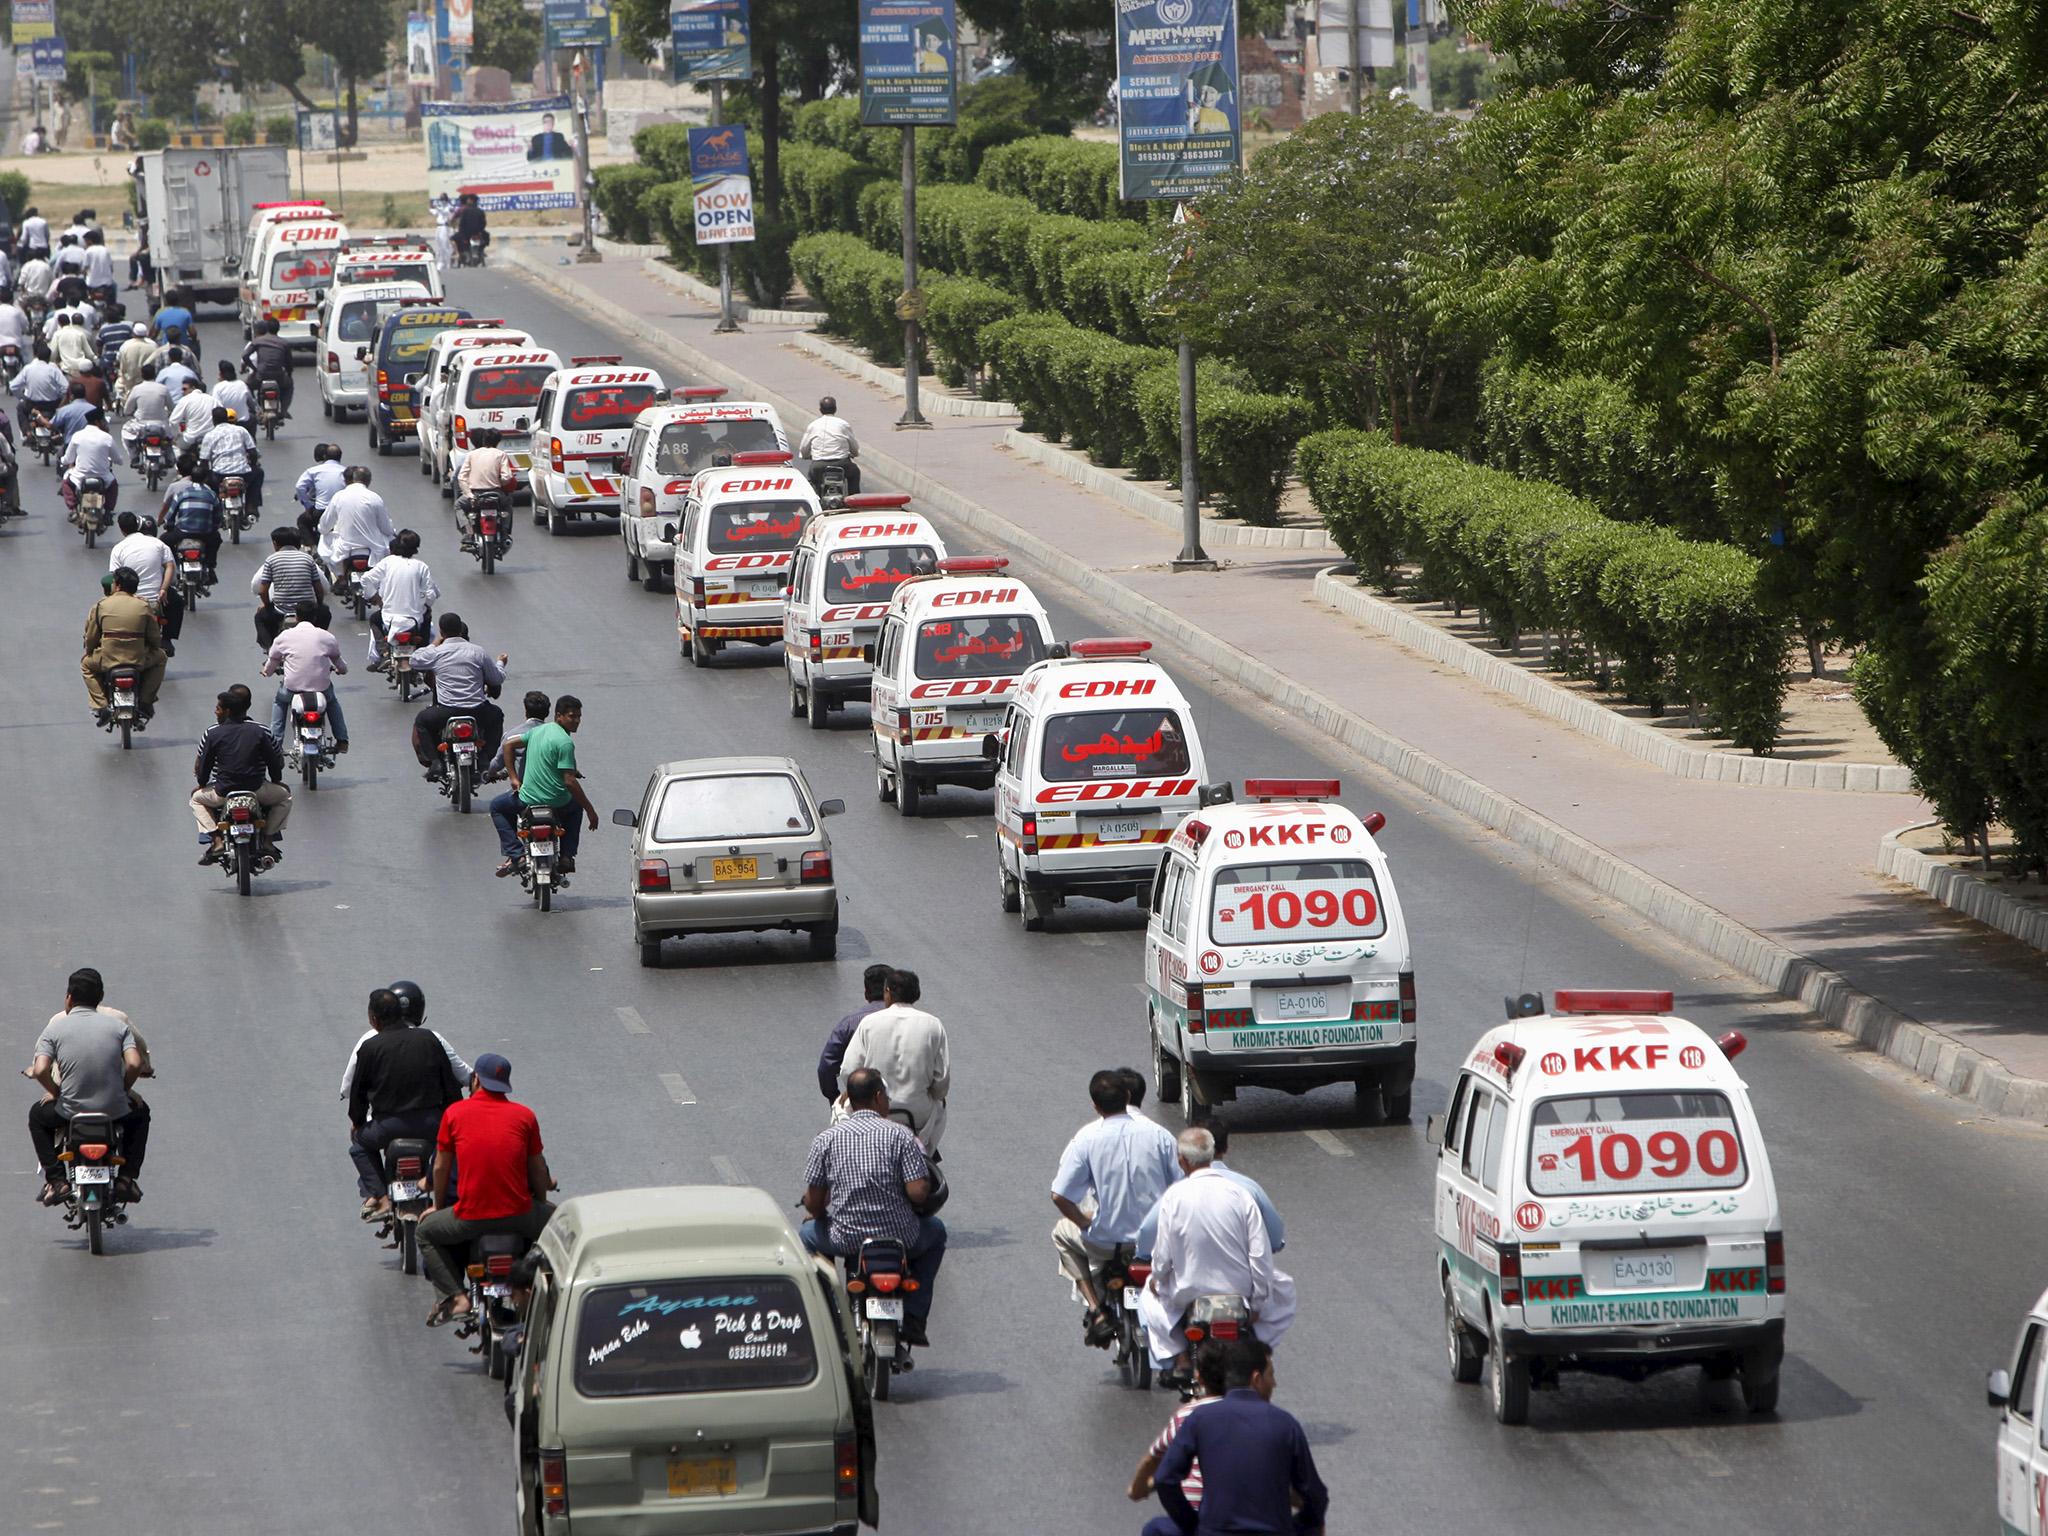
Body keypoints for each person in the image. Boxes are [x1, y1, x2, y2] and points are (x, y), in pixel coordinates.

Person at [801, 1069, 945, 1346]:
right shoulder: (901, 1135)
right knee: (936, 1231)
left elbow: (816, 1204)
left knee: (807, 1236)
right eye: (887, 1096)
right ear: (879, 1097)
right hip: (902, 1237)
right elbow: (917, 1194)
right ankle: (914, 1315)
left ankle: (830, 1313)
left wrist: (815, 1211)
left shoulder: (826, 1140)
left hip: (845, 1240)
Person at [1138, 1127, 1296, 1380]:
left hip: (1187, 1293)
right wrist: (1257, 1304)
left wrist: (1157, 1279)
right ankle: (1261, 1350)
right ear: (1213, 1155)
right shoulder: (1241, 1195)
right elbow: (1260, 1256)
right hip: (1238, 1292)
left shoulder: (1174, 1197)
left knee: (1148, 1296)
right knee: (1285, 1289)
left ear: (1182, 1161)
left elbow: (1162, 1255)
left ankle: (1179, 1356)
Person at [420, 1053, 556, 1328]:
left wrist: (438, 1205)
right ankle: (545, 1295)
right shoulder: (524, 1116)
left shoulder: (454, 1113)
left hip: (470, 1217)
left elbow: (440, 1168)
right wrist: (540, 1204)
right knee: (561, 1230)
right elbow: (538, 1169)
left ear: (476, 1079)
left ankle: (456, 1297)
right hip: (520, 1214)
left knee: (424, 1232)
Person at [1051, 1069, 1183, 1345]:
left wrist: (1084, 1222)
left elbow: (1060, 1195)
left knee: (1061, 1234)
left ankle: (1096, 1310)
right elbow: (1183, 1187)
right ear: (1127, 1097)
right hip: (1155, 1241)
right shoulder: (1161, 1136)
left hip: (1106, 1241)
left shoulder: (1085, 1139)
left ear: (1095, 1106)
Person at [1148, 1336, 1328, 1536]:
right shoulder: (1285, 1424)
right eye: (1271, 1375)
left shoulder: (1200, 1419)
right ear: (1256, 1379)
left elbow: (1164, 1479)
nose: (1274, 1383)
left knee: (1155, 1528)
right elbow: (1315, 1494)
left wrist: (1193, 1526)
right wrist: (1303, 1524)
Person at [26, 968, 151, 1208]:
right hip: (115, 1110)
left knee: (37, 1117)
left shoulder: (54, 1028)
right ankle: (126, 1179)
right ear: (100, 997)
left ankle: (57, 1180)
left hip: (69, 1111)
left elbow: (41, 1069)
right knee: (141, 1114)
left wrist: (54, 1092)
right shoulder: (118, 1027)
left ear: (69, 998)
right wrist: (124, 1090)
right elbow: (135, 1063)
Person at [347, 988, 462, 1220]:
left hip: (387, 1127)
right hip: (432, 1125)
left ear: (373, 1019)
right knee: (456, 1148)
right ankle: (452, 1196)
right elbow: (451, 1087)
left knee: (359, 1145)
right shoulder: (429, 1039)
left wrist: (358, 1123)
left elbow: (357, 1095)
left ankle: (381, 1197)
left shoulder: (369, 1048)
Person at [1136, 1118, 1285, 1260]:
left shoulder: (1175, 1194)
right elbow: (1274, 1239)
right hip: (1240, 1281)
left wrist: (1144, 1256)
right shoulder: (1250, 1189)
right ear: (1225, 1148)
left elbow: (1147, 1234)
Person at [839, 968, 949, 1151]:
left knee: (839, 1106)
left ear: (887, 992)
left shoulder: (869, 1023)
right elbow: (941, 1085)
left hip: (874, 1110)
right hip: (919, 1116)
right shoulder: (933, 1025)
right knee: (940, 1105)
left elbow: (848, 1071)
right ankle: (926, 1156)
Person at [491, 694, 596, 879]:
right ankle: (566, 856)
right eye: (572, 716)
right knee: (576, 808)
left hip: (527, 799)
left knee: (497, 807)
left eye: (579, 716)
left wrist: (514, 779)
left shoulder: (537, 732)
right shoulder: (565, 742)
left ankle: (516, 854)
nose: (576, 721)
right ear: (558, 716)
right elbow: (570, 781)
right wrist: (590, 810)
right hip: (557, 803)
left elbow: (508, 745)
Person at [191, 684, 292, 867]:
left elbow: (203, 764)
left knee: (196, 800)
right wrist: (277, 781)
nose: (216, 711)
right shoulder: (260, 730)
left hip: (222, 792)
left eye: (218, 708)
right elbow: (274, 761)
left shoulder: (213, 733)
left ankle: (216, 840)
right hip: (257, 789)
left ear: (227, 711)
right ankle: (268, 840)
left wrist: (201, 783)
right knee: (285, 797)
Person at [1127, 1341, 1228, 1522]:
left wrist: (1138, 1489)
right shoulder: (1262, 1416)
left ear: (1199, 1376)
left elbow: (1157, 1464)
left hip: (1203, 1519)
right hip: (1251, 1518)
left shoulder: (1188, 1415)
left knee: (1154, 1528)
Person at [338, 979, 473, 1107]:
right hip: (430, 1121)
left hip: (384, 1122)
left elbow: (348, 1088)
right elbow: (467, 1076)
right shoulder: (433, 1038)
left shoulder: (369, 1038)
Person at [406, 611, 507, 772]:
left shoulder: (437, 652)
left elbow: (414, 660)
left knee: (422, 721)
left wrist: (435, 642)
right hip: (477, 711)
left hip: (446, 711)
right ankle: (486, 758)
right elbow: (496, 679)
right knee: (497, 716)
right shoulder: (477, 651)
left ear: (441, 632)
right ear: (460, 630)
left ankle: (435, 762)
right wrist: (500, 663)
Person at [262, 599, 350, 753]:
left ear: (296, 617)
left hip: (292, 688)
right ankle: (342, 740)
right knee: (332, 703)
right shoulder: (326, 636)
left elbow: (273, 660)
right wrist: (342, 670)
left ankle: (275, 744)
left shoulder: (284, 636)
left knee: (279, 703)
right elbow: (338, 661)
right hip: (321, 688)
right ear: (315, 617)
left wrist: (267, 672)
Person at [81, 565, 165, 719]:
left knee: (86, 665)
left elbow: (91, 637)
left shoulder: (101, 606)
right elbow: (155, 638)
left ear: (117, 585)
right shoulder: (144, 606)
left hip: (107, 660)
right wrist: (152, 647)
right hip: (138, 660)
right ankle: (146, 701)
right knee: (161, 657)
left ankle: (100, 705)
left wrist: (89, 651)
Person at [362, 528, 441, 667]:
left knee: (374, 619)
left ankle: (384, 653)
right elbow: (430, 594)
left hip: (389, 618)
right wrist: (424, 604)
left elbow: (366, 579)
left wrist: (375, 598)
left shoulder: (388, 562)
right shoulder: (421, 567)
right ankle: (422, 652)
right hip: (414, 620)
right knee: (427, 614)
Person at [817, 964, 892, 1101]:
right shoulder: (917, 1021)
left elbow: (826, 1068)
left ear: (866, 993)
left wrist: (835, 1098)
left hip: (864, 1103)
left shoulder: (849, 1024)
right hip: (911, 1106)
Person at [252, 526, 328, 650]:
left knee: (260, 617)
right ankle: (320, 644)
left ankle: (270, 649)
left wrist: (267, 606)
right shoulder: (308, 559)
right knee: (325, 613)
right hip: (306, 611)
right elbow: (319, 588)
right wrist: (319, 604)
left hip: (280, 611)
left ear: (275, 544)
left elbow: (262, 591)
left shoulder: (271, 560)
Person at [318, 465, 394, 573]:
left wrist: (323, 529)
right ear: (368, 481)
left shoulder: (339, 496)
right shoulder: (375, 498)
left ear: (353, 479)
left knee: (324, 537)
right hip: (373, 547)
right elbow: (386, 529)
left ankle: (340, 578)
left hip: (344, 547)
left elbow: (325, 525)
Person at [159, 455, 224, 579]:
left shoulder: (182, 494)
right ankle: (210, 566)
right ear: (205, 479)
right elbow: (218, 517)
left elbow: (170, 515)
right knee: (216, 539)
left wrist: (169, 525)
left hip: (183, 532)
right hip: (205, 533)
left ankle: (175, 565)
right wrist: (213, 527)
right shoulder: (211, 494)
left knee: (164, 540)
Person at [453, 425, 517, 549]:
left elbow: (462, 477)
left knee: (458, 505)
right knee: (508, 504)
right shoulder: (500, 454)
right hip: (496, 494)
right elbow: (507, 477)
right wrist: (499, 483)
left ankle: (468, 532)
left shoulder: (472, 454)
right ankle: (504, 533)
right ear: (498, 442)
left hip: (476, 495)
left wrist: (469, 495)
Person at [197, 404, 262, 510]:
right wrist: (252, 465)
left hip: (219, 475)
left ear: (213, 420)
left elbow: (204, 461)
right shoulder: (241, 430)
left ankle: (215, 508)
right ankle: (251, 506)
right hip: (243, 473)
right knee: (259, 473)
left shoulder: (210, 435)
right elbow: (253, 452)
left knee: (208, 483)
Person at [59, 407, 120, 519]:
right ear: (97, 422)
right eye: (103, 421)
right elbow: (118, 459)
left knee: (66, 482)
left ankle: (73, 509)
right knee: (113, 486)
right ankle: (108, 512)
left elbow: (68, 459)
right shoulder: (107, 438)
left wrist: (62, 461)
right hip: (103, 477)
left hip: (80, 477)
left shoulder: (77, 436)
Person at [798, 395, 861, 494]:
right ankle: (854, 502)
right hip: (842, 464)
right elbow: (854, 448)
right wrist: (854, 453)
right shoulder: (843, 424)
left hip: (818, 466)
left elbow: (803, 449)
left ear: (820, 410)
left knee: (812, 482)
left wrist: (806, 456)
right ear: (835, 409)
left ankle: (816, 504)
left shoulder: (813, 426)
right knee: (855, 473)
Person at [488, 690, 549, 784]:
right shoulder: (556, 734)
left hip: (526, 791)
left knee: (496, 800)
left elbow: (496, 764)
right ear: (547, 713)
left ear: (526, 712)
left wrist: (491, 774)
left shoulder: (511, 736)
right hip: (552, 790)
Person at [121, 360, 173, 465]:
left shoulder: (137, 389)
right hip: (161, 425)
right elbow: (171, 407)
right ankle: (169, 457)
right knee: (170, 439)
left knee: (125, 433)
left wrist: (130, 412)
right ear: (155, 374)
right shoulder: (163, 388)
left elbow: (127, 410)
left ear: (142, 375)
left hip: (140, 425)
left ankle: (134, 457)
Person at [293, 442, 347, 541]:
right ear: (340, 456)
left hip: (320, 511)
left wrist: (308, 506)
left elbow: (300, 486)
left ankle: (311, 547)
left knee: (302, 521)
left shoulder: (313, 471)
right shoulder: (346, 471)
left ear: (325, 456)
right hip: (342, 513)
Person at [241, 317, 295, 416]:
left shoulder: (258, 341)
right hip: (279, 376)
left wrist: (254, 369)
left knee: (246, 386)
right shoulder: (284, 343)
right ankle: (283, 411)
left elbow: (245, 356)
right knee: (289, 386)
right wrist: (289, 374)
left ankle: (255, 409)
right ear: (278, 329)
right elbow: (289, 363)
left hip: (260, 376)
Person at [16, 341, 67, 435]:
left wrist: (22, 397)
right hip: (52, 404)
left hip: (32, 404)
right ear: (48, 357)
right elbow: (66, 388)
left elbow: (13, 386)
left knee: (20, 407)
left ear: (36, 355)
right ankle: (62, 432)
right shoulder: (53, 368)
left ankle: (27, 432)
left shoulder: (28, 368)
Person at [169, 374, 217, 449]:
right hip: (211, 439)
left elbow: (173, 421)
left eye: (184, 389)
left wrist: (175, 435)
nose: (182, 392)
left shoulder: (185, 400)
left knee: (175, 448)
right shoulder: (213, 400)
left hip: (190, 440)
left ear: (193, 388)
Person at [51, 307, 95, 374]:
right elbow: (90, 354)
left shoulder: (57, 334)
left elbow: (53, 354)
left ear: (59, 323)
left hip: (65, 368)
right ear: (69, 321)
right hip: (81, 368)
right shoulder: (80, 333)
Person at [213, 358, 253, 422]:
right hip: (243, 422)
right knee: (252, 418)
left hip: (226, 422)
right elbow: (252, 404)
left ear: (221, 374)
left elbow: (215, 406)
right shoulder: (242, 384)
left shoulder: (218, 387)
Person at [453, 194, 488, 263]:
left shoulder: (465, 211)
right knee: (486, 237)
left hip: (467, 233)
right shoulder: (480, 211)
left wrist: (461, 231)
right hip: (478, 233)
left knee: (454, 239)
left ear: (471, 201)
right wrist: (480, 230)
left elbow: (462, 223)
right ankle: (481, 251)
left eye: (468, 200)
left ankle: (461, 253)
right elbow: (483, 223)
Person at [81, 229, 115, 298]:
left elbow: (84, 268)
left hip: (92, 283)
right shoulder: (105, 250)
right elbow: (111, 267)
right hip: (107, 283)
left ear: (89, 241)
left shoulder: (88, 251)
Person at [430, 192, 454, 270]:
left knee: (445, 244)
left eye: (443, 199)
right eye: (441, 199)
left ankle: (448, 262)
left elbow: (447, 214)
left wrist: (438, 208)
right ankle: (440, 261)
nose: (442, 201)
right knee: (438, 244)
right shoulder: (440, 207)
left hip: (445, 227)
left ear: (446, 199)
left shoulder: (449, 207)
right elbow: (435, 213)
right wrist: (431, 208)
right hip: (438, 227)